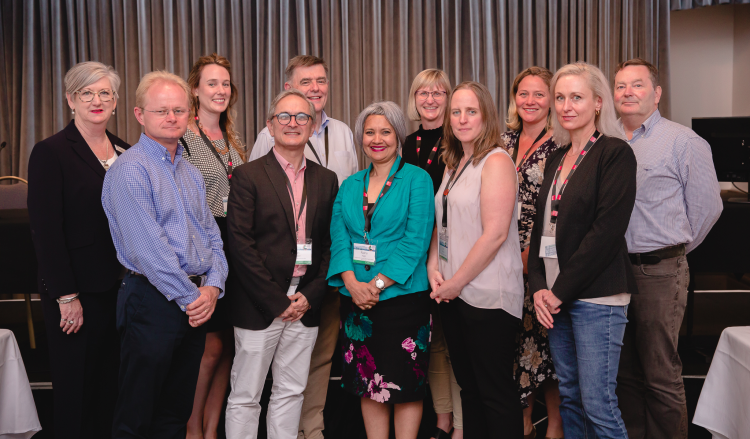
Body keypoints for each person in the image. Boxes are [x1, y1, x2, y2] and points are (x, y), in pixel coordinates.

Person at [102, 71, 228, 438]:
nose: (171, 118)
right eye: (162, 111)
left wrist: (214, 287)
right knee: (137, 416)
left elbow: (212, 237)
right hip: (151, 300)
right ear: (140, 115)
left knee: (175, 413)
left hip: (192, 302)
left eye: (178, 110)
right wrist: (196, 299)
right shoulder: (130, 171)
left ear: (189, 114)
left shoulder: (189, 172)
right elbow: (149, 251)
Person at [249, 55, 358, 439]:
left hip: (326, 267)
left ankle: (311, 431)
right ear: (288, 88)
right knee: (268, 371)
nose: (315, 88)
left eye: (321, 80)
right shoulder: (271, 134)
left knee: (320, 359)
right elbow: (255, 208)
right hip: (276, 277)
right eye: (305, 81)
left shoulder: (343, 132)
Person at [613, 58, 722, 439]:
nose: (628, 92)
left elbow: (708, 209)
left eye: (637, 85)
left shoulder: (682, 141)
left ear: (657, 93)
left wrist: (672, 253)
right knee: (623, 370)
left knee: (660, 372)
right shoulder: (604, 140)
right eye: (621, 86)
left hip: (659, 271)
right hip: (611, 272)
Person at [528, 62, 637, 439]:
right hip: (556, 297)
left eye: (576, 97)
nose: (565, 106)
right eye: (559, 97)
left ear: (597, 103)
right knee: (570, 398)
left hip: (597, 298)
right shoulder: (557, 158)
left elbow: (605, 234)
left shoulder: (614, 153)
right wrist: (538, 287)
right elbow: (541, 229)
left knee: (598, 405)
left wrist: (557, 292)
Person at [224, 89, 339, 439]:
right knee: (246, 396)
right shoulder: (248, 176)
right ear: (270, 126)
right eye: (284, 117)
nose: (293, 124)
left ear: (313, 123)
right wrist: (276, 302)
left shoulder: (326, 179)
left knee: (291, 393)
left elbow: (331, 246)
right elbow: (240, 245)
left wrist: (311, 295)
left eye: (302, 117)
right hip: (259, 305)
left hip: (305, 303)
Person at [27, 61, 129, 439]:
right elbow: (46, 232)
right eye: (87, 92)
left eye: (105, 92)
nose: (96, 100)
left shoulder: (125, 149)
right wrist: (66, 295)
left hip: (119, 289)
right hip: (77, 292)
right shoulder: (51, 152)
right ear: (71, 99)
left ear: (116, 101)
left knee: (110, 388)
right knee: (76, 390)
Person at [327, 101, 434, 439]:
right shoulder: (349, 185)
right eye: (370, 132)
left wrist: (375, 284)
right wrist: (351, 282)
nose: (377, 139)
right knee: (366, 382)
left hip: (403, 299)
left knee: (405, 384)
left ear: (397, 135)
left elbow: (416, 240)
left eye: (385, 132)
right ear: (361, 138)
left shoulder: (417, 179)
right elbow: (339, 237)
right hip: (356, 301)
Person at [427, 81, 524, 437]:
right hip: (454, 293)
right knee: (470, 389)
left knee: (494, 392)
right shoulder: (455, 162)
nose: (462, 119)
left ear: (486, 115)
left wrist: (455, 282)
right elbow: (444, 218)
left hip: (487, 296)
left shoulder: (496, 161)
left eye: (471, 111)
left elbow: (495, 234)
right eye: (456, 111)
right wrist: (433, 267)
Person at [182, 53, 245, 439]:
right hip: (203, 248)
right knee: (208, 349)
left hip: (234, 247)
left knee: (227, 349)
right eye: (211, 83)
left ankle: (210, 430)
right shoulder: (184, 134)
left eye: (225, 84)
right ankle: (191, 429)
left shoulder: (232, 136)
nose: (220, 90)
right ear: (195, 90)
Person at [502, 67, 564, 439]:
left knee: (547, 346)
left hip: (543, 257)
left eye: (539, 94)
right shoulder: (501, 140)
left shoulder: (562, 143)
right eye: (523, 94)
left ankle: (555, 426)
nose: (530, 101)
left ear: (552, 100)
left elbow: (562, 209)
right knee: (515, 347)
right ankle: (522, 423)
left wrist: (533, 256)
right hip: (501, 256)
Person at [402, 69, 462, 439]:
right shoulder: (405, 142)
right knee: (434, 342)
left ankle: (462, 423)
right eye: (423, 92)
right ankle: (443, 420)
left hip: (450, 252)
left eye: (439, 92)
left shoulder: (459, 138)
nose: (431, 99)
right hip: (412, 255)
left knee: (457, 341)